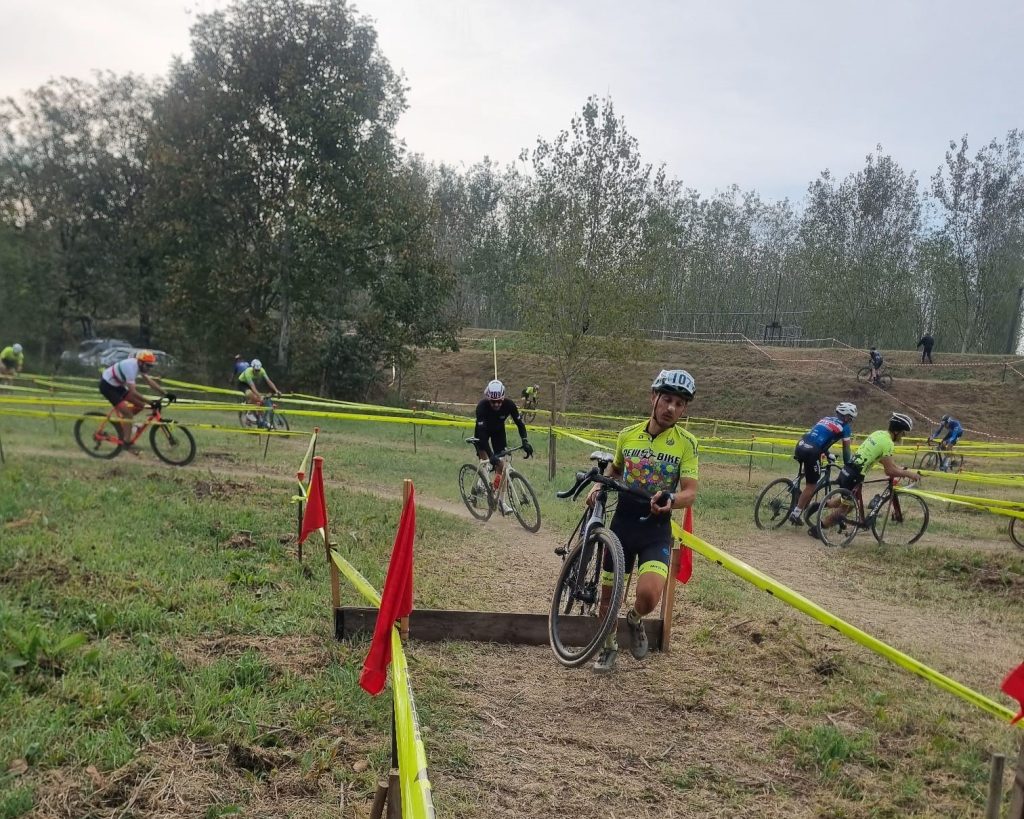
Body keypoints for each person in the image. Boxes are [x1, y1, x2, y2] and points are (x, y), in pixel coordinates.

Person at [589, 369, 699, 673]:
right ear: (654, 397)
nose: (671, 409)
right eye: (666, 400)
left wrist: (671, 499)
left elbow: (690, 492)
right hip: (622, 524)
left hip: (655, 529)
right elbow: (614, 470)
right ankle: (608, 647)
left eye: (679, 404)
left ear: (685, 409)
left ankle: (635, 618)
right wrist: (599, 485)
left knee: (650, 595)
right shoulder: (628, 434)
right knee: (608, 597)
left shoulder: (686, 443)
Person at [809, 412, 922, 539]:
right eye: (903, 432)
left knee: (845, 500)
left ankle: (819, 505)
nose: (903, 436)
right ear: (896, 431)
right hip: (855, 475)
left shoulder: (879, 433)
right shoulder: (888, 443)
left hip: (847, 470)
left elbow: (879, 457)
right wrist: (909, 474)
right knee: (847, 508)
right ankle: (818, 528)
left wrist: (899, 469)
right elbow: (889, 471)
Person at [788, 402, 858, 525]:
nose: (850, 421)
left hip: (801, 445)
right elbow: (846, 451)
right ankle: (796, 513)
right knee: (812, 485)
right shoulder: (845, 427)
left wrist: (828, 453)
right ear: (847, 417)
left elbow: (818, 437)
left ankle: (794, 485)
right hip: (812, 451)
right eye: (851, 419)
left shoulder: (826, 419)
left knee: (809, 470)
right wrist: (848, 465)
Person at [473, 380, 533, 510]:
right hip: (482, 434)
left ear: (503, 398)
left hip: (498, 432)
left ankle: (501, 502)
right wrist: (491, 455)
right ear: (488, 399)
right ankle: (481, 483)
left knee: (502, 466)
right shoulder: (481, 407)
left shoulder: (509, 405)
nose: (496, 404)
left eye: (499, 401)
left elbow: (520, 424)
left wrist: (525, 441)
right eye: (493, 401)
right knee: (486, 461)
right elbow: (483, 438)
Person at [98, 350, 175, 445]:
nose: (149, 368)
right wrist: (150, 402)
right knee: (128, 415)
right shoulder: (131, 367)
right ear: (140, 362)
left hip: (118, 385)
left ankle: (125, 423)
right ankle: (126, 442)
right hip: (107, 386)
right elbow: (133, 392)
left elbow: (149, 382)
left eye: (151, 366)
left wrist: (166, 394)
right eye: (148, 365)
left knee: (140, 405)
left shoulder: (140, 366)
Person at [237, 359, 281, 429]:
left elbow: (269, 381)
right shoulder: (248, 372)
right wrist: (259, 395)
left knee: (260, 401)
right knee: (252, 395)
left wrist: (276, 390)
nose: (257, 372)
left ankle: (260, 419)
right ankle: (249, 413)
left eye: (258, 370)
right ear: (252, 368)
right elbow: (252, 386)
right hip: (243, 384)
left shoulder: (262, 370)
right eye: (256, 370)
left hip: (251, 383)